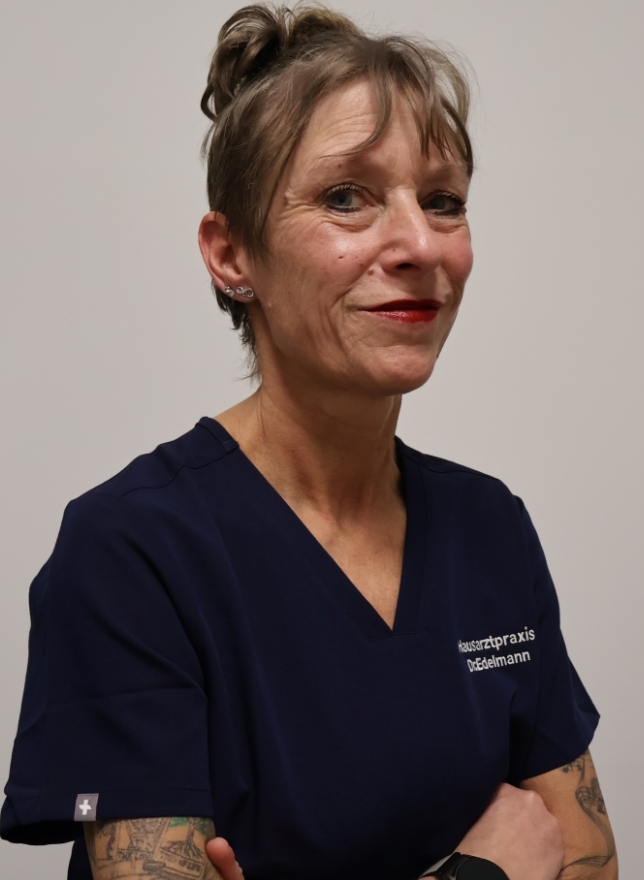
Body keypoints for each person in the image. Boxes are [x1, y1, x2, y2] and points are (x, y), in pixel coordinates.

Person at [1, 4, 617, 880]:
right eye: (345, 198)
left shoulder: (490, 527)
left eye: (443, 201)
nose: (419, 244)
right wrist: (482, 872)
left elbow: (588, 856)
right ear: (232, 254)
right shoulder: (133, 552)